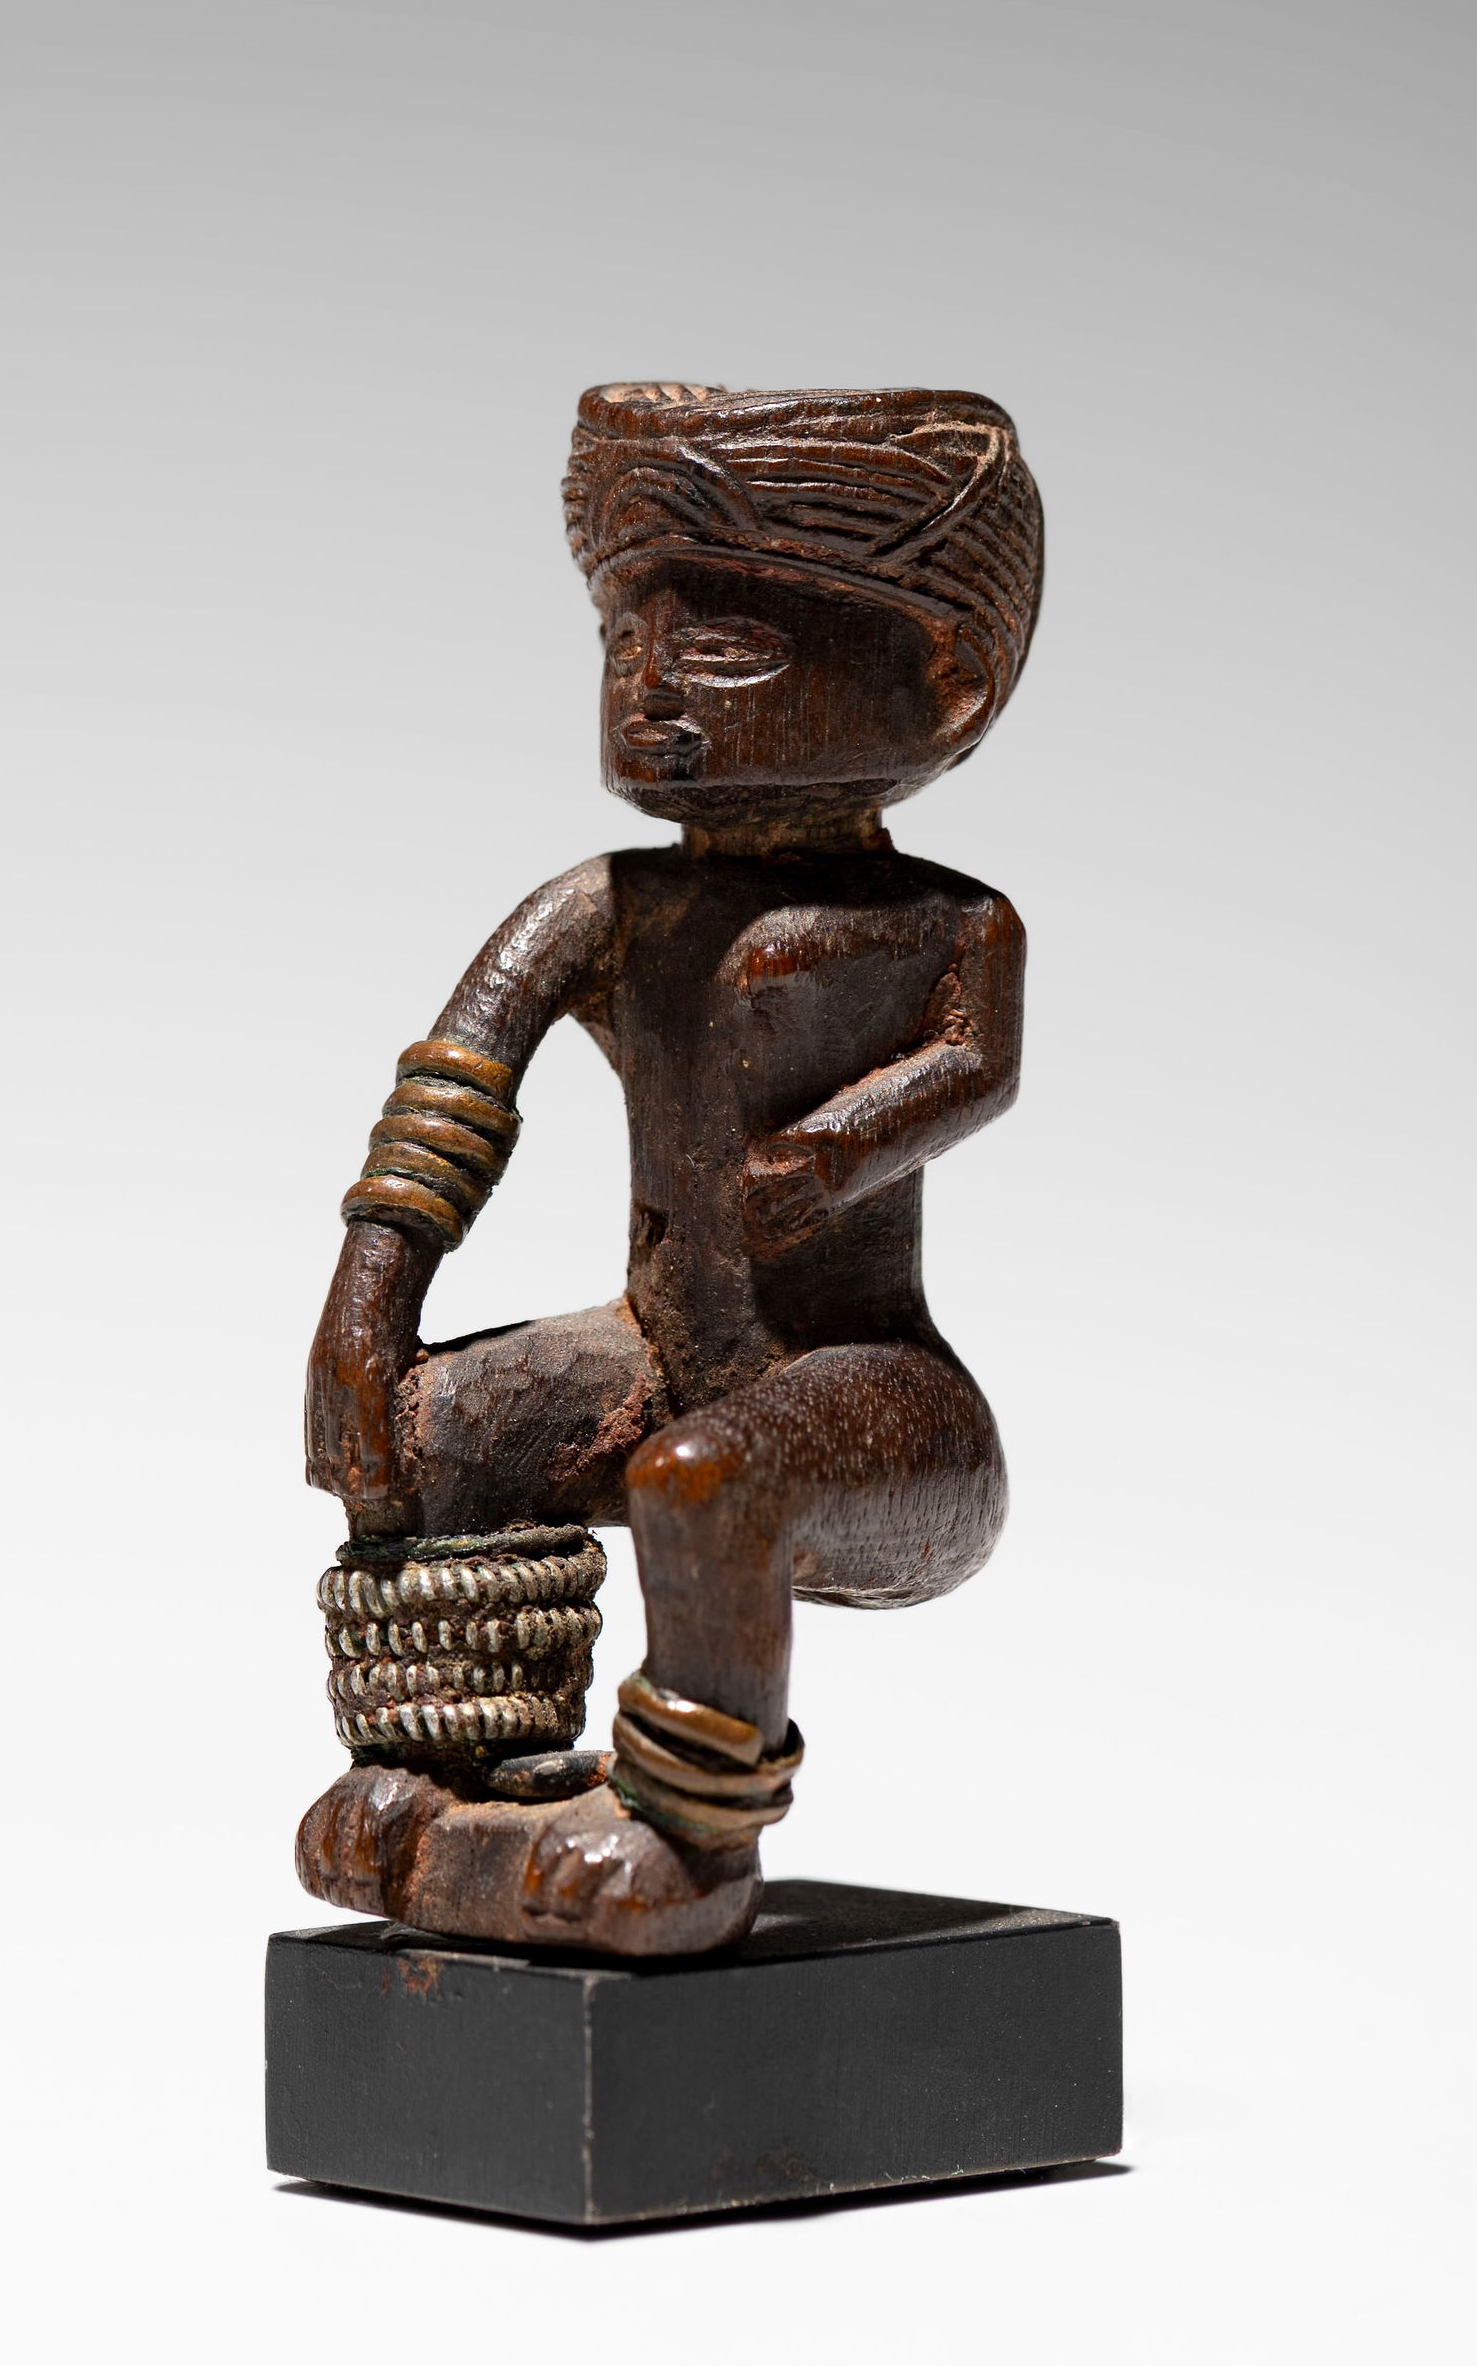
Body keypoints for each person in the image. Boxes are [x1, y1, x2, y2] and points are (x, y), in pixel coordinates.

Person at [298, 384, 1044, 1952]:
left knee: (707, 1477)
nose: (650, 690)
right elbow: (453, 1093)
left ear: (948, 686)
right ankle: (448, 1775)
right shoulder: (607, 907)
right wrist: (367, 1308)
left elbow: (977, 1068)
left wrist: (840, 1149)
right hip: (661, 1356)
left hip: (885, 1407)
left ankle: (691, 1843)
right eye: (622, 641)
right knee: (437, 1435)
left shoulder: (950, 925)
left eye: (724, 649)